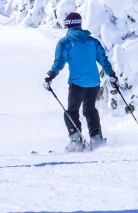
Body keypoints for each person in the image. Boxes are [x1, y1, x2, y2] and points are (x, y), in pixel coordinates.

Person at [44, 11, 116, 150]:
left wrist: (50, 76)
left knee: (71, 112)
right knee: (90, 110)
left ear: (67, 25)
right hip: (94, 83)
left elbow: (59, 63)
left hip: (77, 84)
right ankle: (97, 139)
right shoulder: (93, 41)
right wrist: (112, 75)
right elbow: (103, 60)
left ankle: (76, 141)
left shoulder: (65, 42)